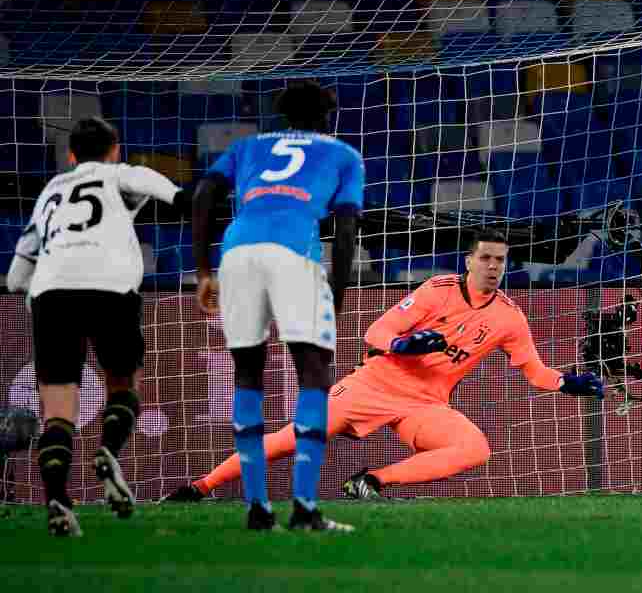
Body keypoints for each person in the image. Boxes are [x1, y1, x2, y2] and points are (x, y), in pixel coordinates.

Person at [161, 228, 603, 503]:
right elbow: (376, 334)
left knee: (475, 448)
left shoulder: (509, 316)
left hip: (424, 404)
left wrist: (569, 383)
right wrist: (407, 344)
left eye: (500, 260)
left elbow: (535, 373)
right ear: (469, 260)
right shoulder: (436, 290)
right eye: (485, 257)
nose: (492, 266)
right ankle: (199, 487)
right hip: (371, 387)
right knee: (292, 439)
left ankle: (370, 481)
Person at [191, 81, 363, 532]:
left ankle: (256, 507)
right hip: (292, 254)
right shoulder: (343, 154)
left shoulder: (248, 147)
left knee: (247, 373)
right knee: (314, 372)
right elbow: (345, 232)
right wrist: (338, 293)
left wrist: (203, 270)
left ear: (284, 116)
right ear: (327, 115)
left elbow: (203, 194)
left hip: (237, 252)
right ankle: (304, 507)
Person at [5, 116, 189, 536]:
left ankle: (57, 499)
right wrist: (185, 200)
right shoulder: (119, 174)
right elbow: (157, 185)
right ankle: (108, 450)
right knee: (123, 386)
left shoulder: (50, 190)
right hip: (110, 288)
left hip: (52, 293)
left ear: (71, 155)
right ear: (115, 149)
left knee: (57, 413)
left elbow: (16, 276)